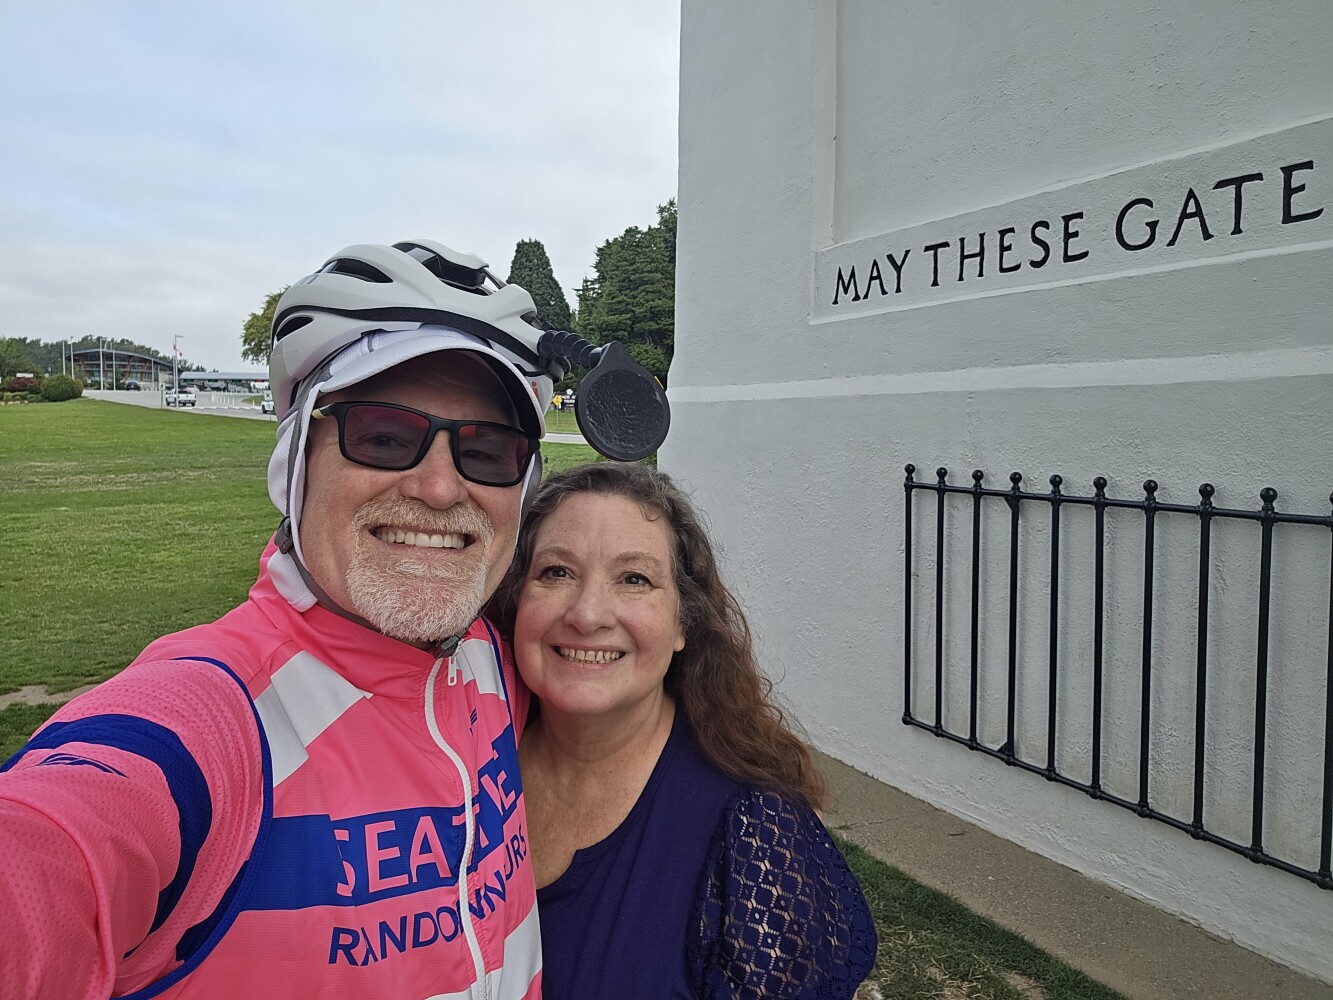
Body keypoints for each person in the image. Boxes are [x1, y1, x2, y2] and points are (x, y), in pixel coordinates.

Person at [0, 240, 553, 999]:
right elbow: (51, 846)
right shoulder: (208, 721)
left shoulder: (498, 658)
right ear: (294, 463)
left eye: (488, 452)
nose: (436, 486)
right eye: (383, 438)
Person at [488, 462, 878, 999]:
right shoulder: (463, 762)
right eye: (556, 572)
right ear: (515, 599)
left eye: (635, 579)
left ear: (683, 624)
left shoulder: (752, 831)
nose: (588, 614)